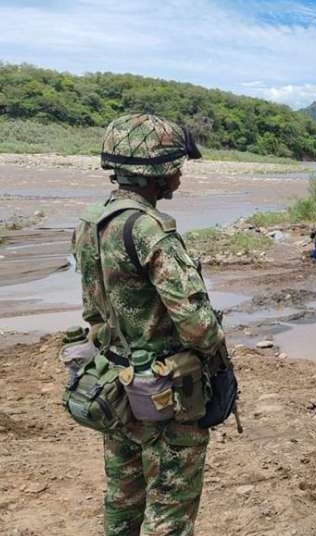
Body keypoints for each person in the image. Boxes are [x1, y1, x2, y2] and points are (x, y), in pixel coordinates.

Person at [71, 114, 225, 535]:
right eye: (176, 165)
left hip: (114, 385)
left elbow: (94, 310)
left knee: (122, 500)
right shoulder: (149, 230)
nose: (179, 174)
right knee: (169, 512)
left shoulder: (91, 222)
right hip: (163, 396)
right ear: (156, 170)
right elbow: (198, 328)